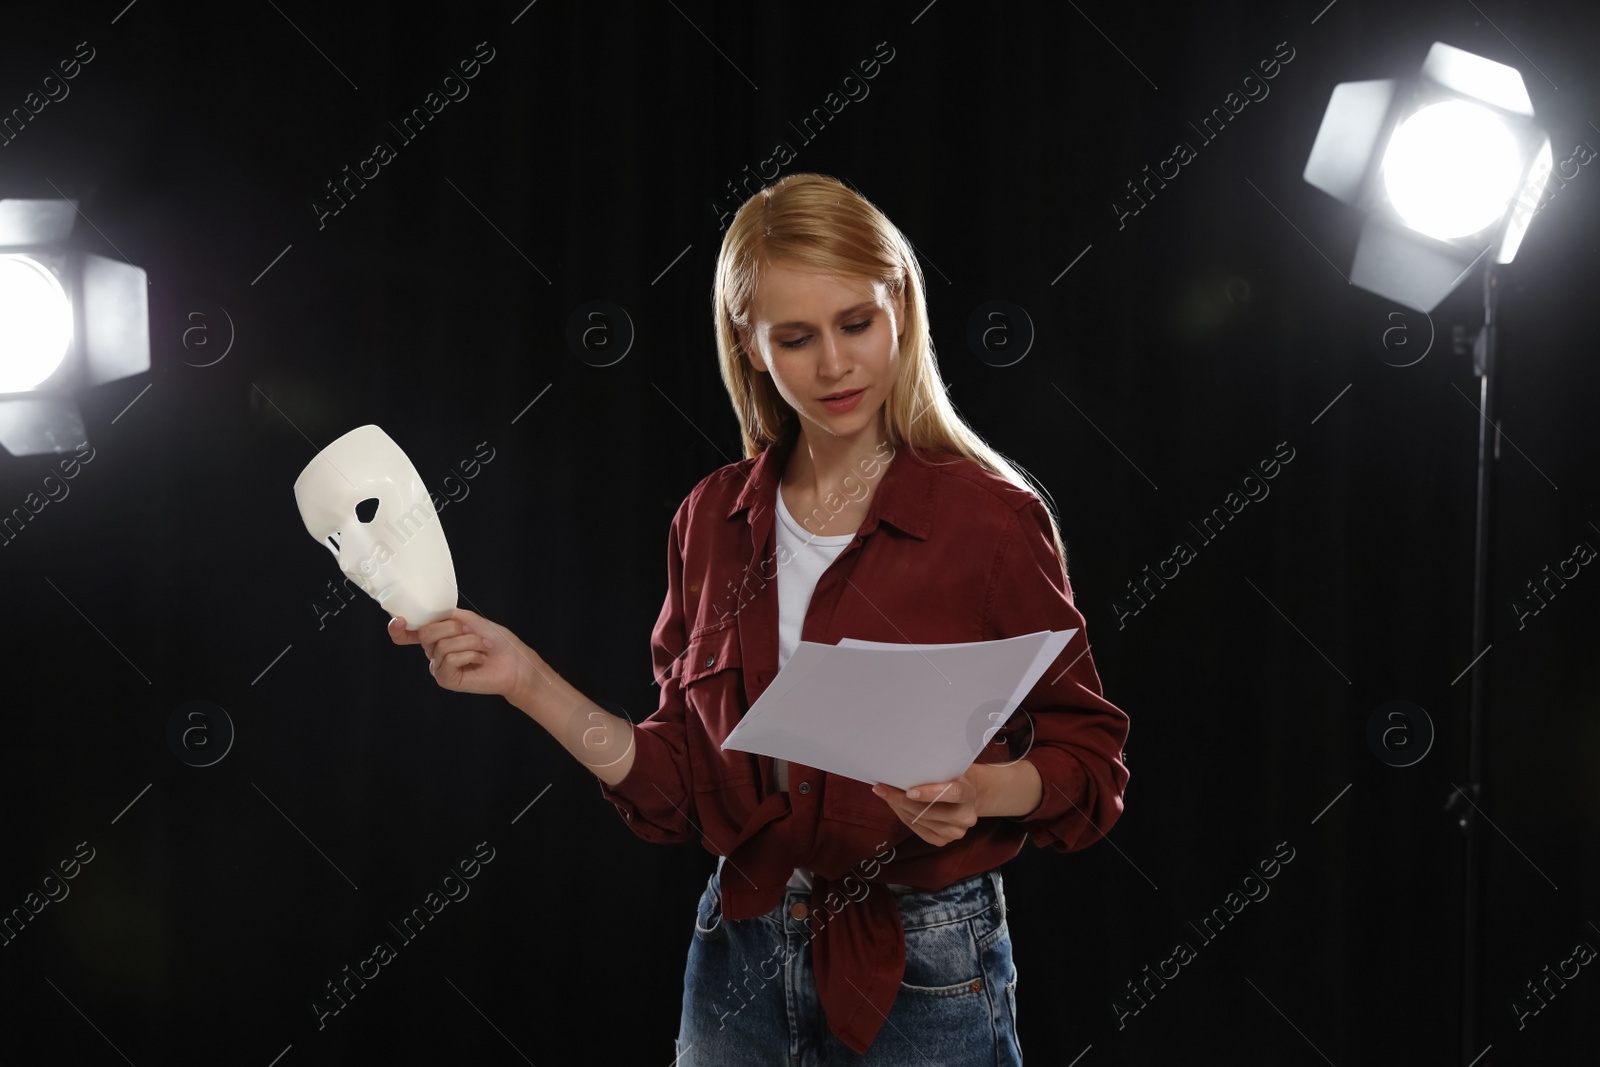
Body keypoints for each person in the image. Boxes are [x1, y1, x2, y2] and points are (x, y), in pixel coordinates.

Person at [388, 172, 1130, 1065]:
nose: (835, 364)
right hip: (738, 945)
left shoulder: (994, 521)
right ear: (749, 345)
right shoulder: (710, 521)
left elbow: (1087, 762)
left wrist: (982, 791)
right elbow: (672, 789)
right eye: (795, 336)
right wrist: (525, 680)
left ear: (900, 306)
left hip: (928, 956)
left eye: (857, 323)